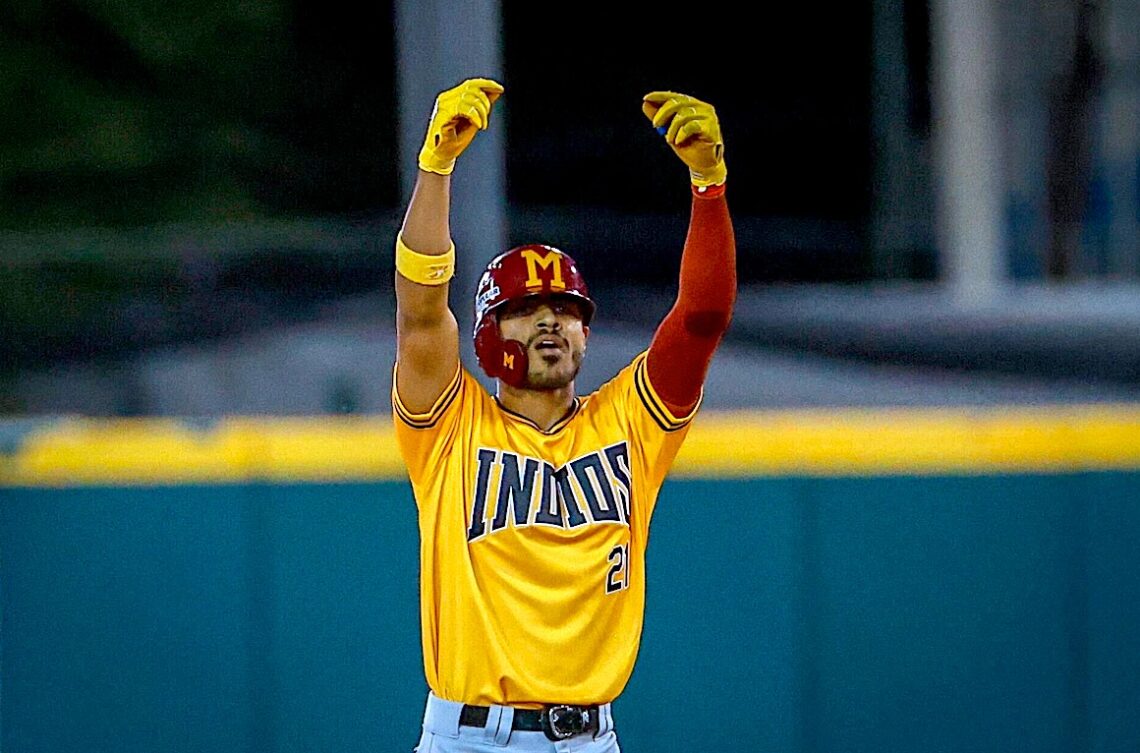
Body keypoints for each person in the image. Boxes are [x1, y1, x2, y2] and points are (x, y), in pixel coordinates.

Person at [391, 76, 736, 752]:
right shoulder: (449, 424)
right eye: (525, 308)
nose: (551, 318)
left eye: (567, 308)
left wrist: (709, 184)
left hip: (588, 736)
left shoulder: (630, 424)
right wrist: (435, 169)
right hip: (468, 734)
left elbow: (702, 317)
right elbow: (421, 310)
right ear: (490, 334)